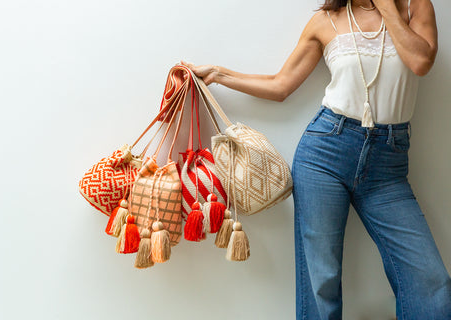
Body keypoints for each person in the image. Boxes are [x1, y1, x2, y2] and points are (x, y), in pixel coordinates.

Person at [180, 0, 451, 319]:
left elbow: (421, 61)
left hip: (388, 167)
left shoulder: (414, 7)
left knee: (430, 283)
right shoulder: (326, 21)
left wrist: (387, 7)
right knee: (321, 283)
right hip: (326, 154)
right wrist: (217, 73)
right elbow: (281, 86)